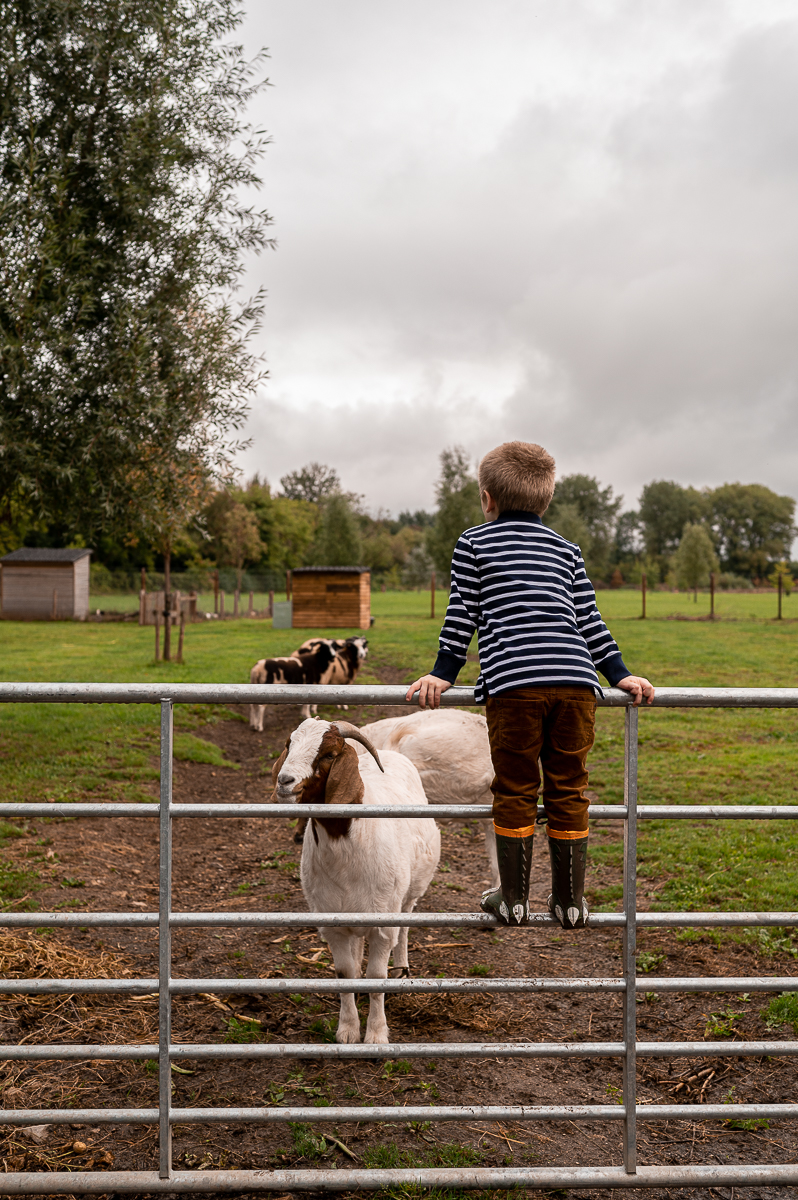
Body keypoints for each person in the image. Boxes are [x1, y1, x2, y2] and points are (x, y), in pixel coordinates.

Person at [406, 441, 654, 929]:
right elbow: (589, 620)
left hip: (515, 684)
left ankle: (514, 900)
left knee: (516, 785)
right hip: (578, 684)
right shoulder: (567, 549)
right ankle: (570, 902)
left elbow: (462, 616)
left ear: (486, 498)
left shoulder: (474, 543)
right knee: (569, 787)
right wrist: (620, 673)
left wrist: (442, 672)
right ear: (546, 499)